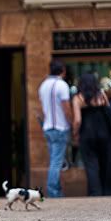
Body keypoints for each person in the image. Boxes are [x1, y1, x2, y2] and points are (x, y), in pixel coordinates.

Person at [72, 72, 111, 196]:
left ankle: (95, 193)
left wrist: (74, 133)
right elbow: (109, 111)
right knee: (105, 163)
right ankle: (106, 191)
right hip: (104, 134)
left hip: (87, 135)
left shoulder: (78, 98)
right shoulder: (101, 95)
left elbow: (77, 120)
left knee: (91, 165)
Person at [38, 61, 73, 198]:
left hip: (48, 127)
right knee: (57, 161)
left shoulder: (43, 85)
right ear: (62, 71)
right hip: (60, 127)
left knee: (54, 159)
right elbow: (66, 108)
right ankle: (53, 191)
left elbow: (42, 108)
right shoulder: (62, 85)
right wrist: (71, 123)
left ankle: (57, 191)